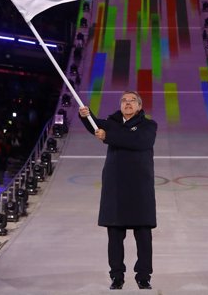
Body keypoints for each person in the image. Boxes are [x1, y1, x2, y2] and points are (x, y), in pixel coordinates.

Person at [78, 91, 157, 290]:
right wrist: (85, 115)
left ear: (139, 106)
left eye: (132, 101)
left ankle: (143, 276)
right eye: (124, 100)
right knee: (114, 236)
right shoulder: (112, 123)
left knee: (144, 236)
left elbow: (140, 142)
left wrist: (108, 136)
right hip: (115, 188)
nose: (127, 103)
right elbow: (95, 126)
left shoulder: (149, 126)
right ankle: (117, 276)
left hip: (140, 189)